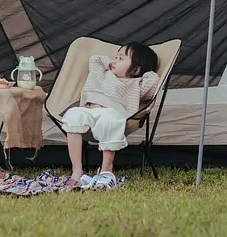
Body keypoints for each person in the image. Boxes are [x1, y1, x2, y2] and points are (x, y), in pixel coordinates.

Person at [61, 44, 159, 188]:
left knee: (110, 119)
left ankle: (106, 170)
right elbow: (95, 59)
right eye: (116, 57)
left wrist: (140, 72)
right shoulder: (102, 72)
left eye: (121, 59)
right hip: (89, 109)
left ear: (136, 69)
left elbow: (153, 81)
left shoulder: (136, 84)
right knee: (73, 114)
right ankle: (77, 170)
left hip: (113, 113)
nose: (115, 60)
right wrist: (112, 63)